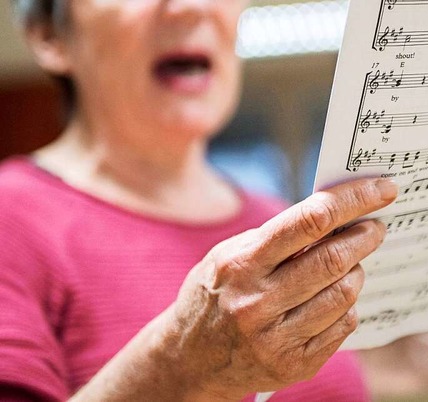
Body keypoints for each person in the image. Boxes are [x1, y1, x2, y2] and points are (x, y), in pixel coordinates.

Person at [0, 0, 398, 400]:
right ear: (48, 34)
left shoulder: (278, 220)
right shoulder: (12, 216)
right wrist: (180, 370)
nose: (191, 7)